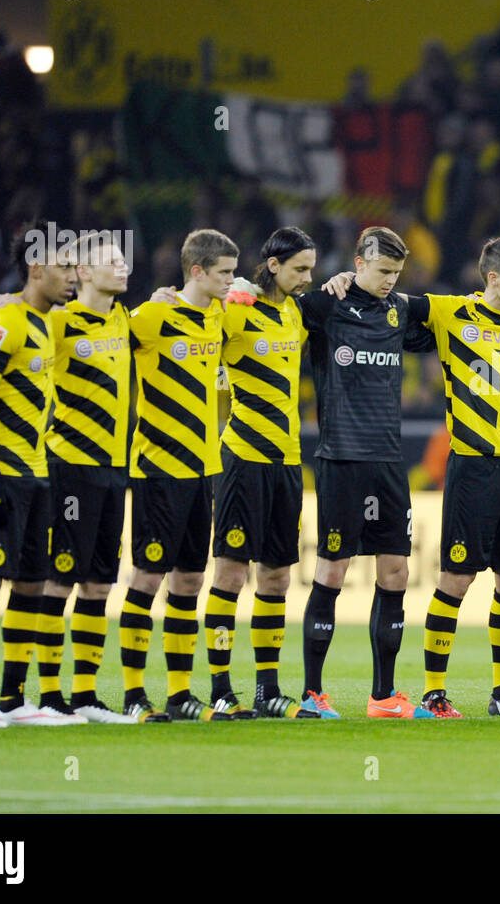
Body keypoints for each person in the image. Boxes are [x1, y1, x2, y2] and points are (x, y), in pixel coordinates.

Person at [322, 236, 500, 717]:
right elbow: (383, 298)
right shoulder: (448, 312)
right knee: (456, 579)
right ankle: (433, 691)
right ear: (494, 278)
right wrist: (343, 280)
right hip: (472, 466)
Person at [0, 231, 137, 723]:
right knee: (58, 580)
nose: (124, 267)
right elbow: (7, 325)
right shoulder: (57, 321)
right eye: (111, 261)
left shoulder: (125, 319)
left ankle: (85, 695)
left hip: (116, 470)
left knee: (97, 585)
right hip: (68, 466)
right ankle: (46, 694)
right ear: (84, 272)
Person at [297, 227, 438, 719]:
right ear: (358, 263)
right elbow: (275, 306)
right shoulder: (324, 305)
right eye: (382, 272)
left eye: (396, 274)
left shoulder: (399, 309)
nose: (389, 282)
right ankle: (313, 694)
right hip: (340, 459)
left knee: (396, 571)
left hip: (388, 461)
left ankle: (384, 696)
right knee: (332, 569)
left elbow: (456, 317)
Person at [0, 222, 80, 727]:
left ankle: (12, 699)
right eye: (65, 267)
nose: (74, 276)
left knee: (31, 582)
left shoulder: (46, 323)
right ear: (36, 268)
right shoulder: (7, 318)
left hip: (36, 471)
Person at [121, 229, 236, 722]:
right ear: (197, 272)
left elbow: (262, 293)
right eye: (225, 272)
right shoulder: (153, 316)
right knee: (147, 578)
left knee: (188, 581)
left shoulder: (217, 315)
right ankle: (130, 695)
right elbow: (100, 338)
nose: (233, 281)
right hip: (157, 469)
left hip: (203, 470)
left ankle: (180, 694)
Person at [206, 228, 315, 719]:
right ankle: (220, 688)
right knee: (231, 572)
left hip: (287, 462)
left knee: (276, 577)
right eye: (300, 269)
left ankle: (267, 690)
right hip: (242, 457)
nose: (308, 278)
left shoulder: (295, 312)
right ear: (273, 265)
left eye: (311, 269)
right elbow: (192, 318)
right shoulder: (236, 306)